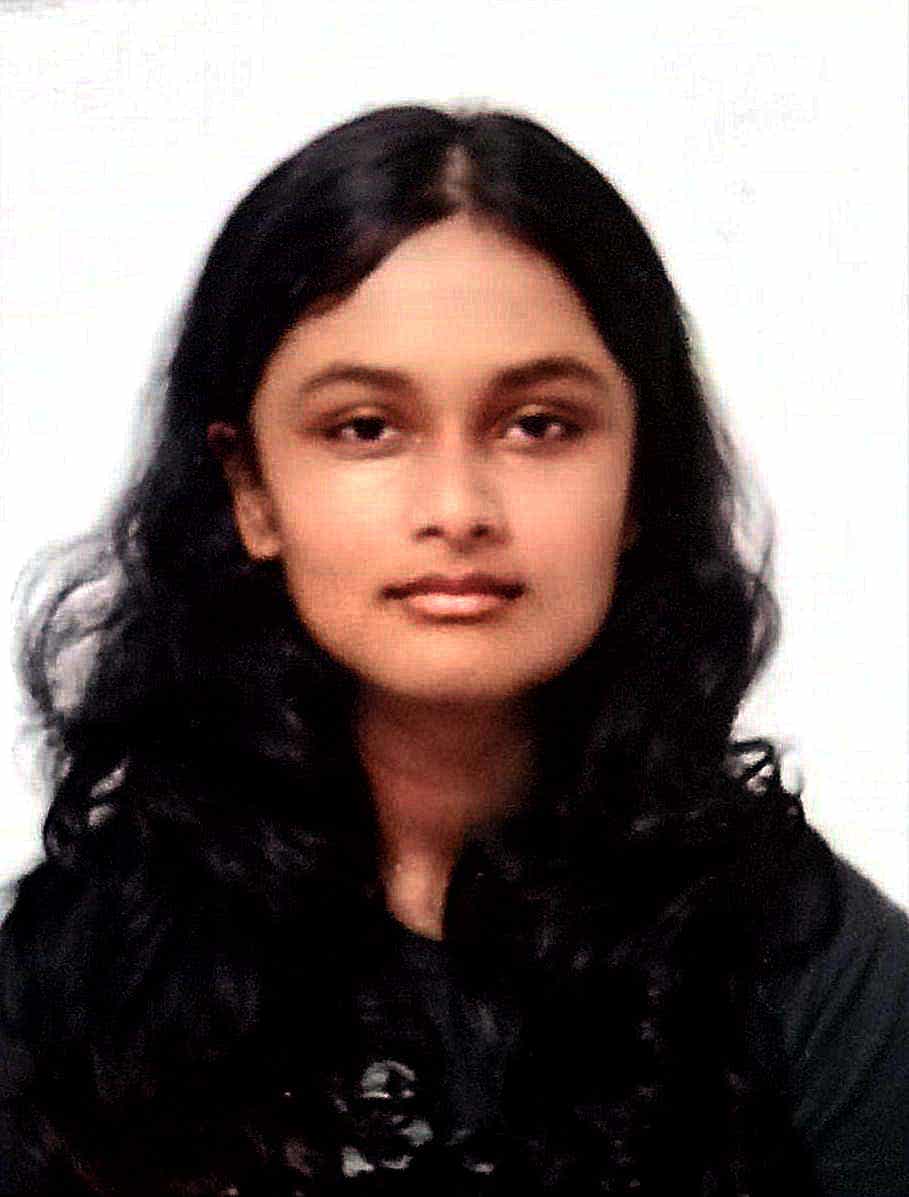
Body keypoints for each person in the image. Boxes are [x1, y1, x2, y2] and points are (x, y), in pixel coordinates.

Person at [0, 103, 906, 1196]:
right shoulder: (76, 971)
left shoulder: (816, 966)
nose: (458, 507)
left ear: (638, 482)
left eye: (539, 425)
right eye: (366, 428)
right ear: (252, 490)